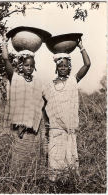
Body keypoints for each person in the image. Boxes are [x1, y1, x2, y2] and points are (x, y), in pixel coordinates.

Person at [43, 40, 91, 182]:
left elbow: (87, 65)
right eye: (60, 66)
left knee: (70, 163)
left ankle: (70, 185)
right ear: (56, 68)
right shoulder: (49, 86)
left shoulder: (73, 81)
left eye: (66, 66)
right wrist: (46, 122)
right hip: (56, 130)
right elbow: (42, 104)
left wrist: (81, 47)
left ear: (69, 68)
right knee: (55, 163)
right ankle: (54, 186)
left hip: (70, 130)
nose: (63, 68)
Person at [2, 35, 44, 178]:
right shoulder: (15, 79)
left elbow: (41, 103)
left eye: (32, 66)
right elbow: (6, 60)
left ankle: (30, 185)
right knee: (17, 164)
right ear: (21, 65)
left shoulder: (38, 83)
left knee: (32, 165)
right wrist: (4, 43)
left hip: (32, 130)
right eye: (26, 65)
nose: (29, 68)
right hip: (18, 130)